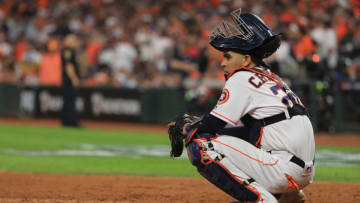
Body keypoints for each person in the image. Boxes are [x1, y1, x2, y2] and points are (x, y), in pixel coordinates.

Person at [168, 9, 314, 203]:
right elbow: (249, 132)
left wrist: (188, 127)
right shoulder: (270, 78)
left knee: (200, 144)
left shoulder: (242, 77)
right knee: (237, 137)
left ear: (246, 59)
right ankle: (288, 196)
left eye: (227, 56)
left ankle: (264, 200)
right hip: (300, 170)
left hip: (283, 168)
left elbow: (212, 126)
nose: (222, 63)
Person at [60, 34, 81, 127]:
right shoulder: (68, 51)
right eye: (74, 40)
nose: (76, 42)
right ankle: (71, 122)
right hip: (68, 81)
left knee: (68, 101)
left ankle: (66, 122)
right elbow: (68, 65)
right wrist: (74, 78)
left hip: (67, 81)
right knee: (69, 101)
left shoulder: (70, 51)